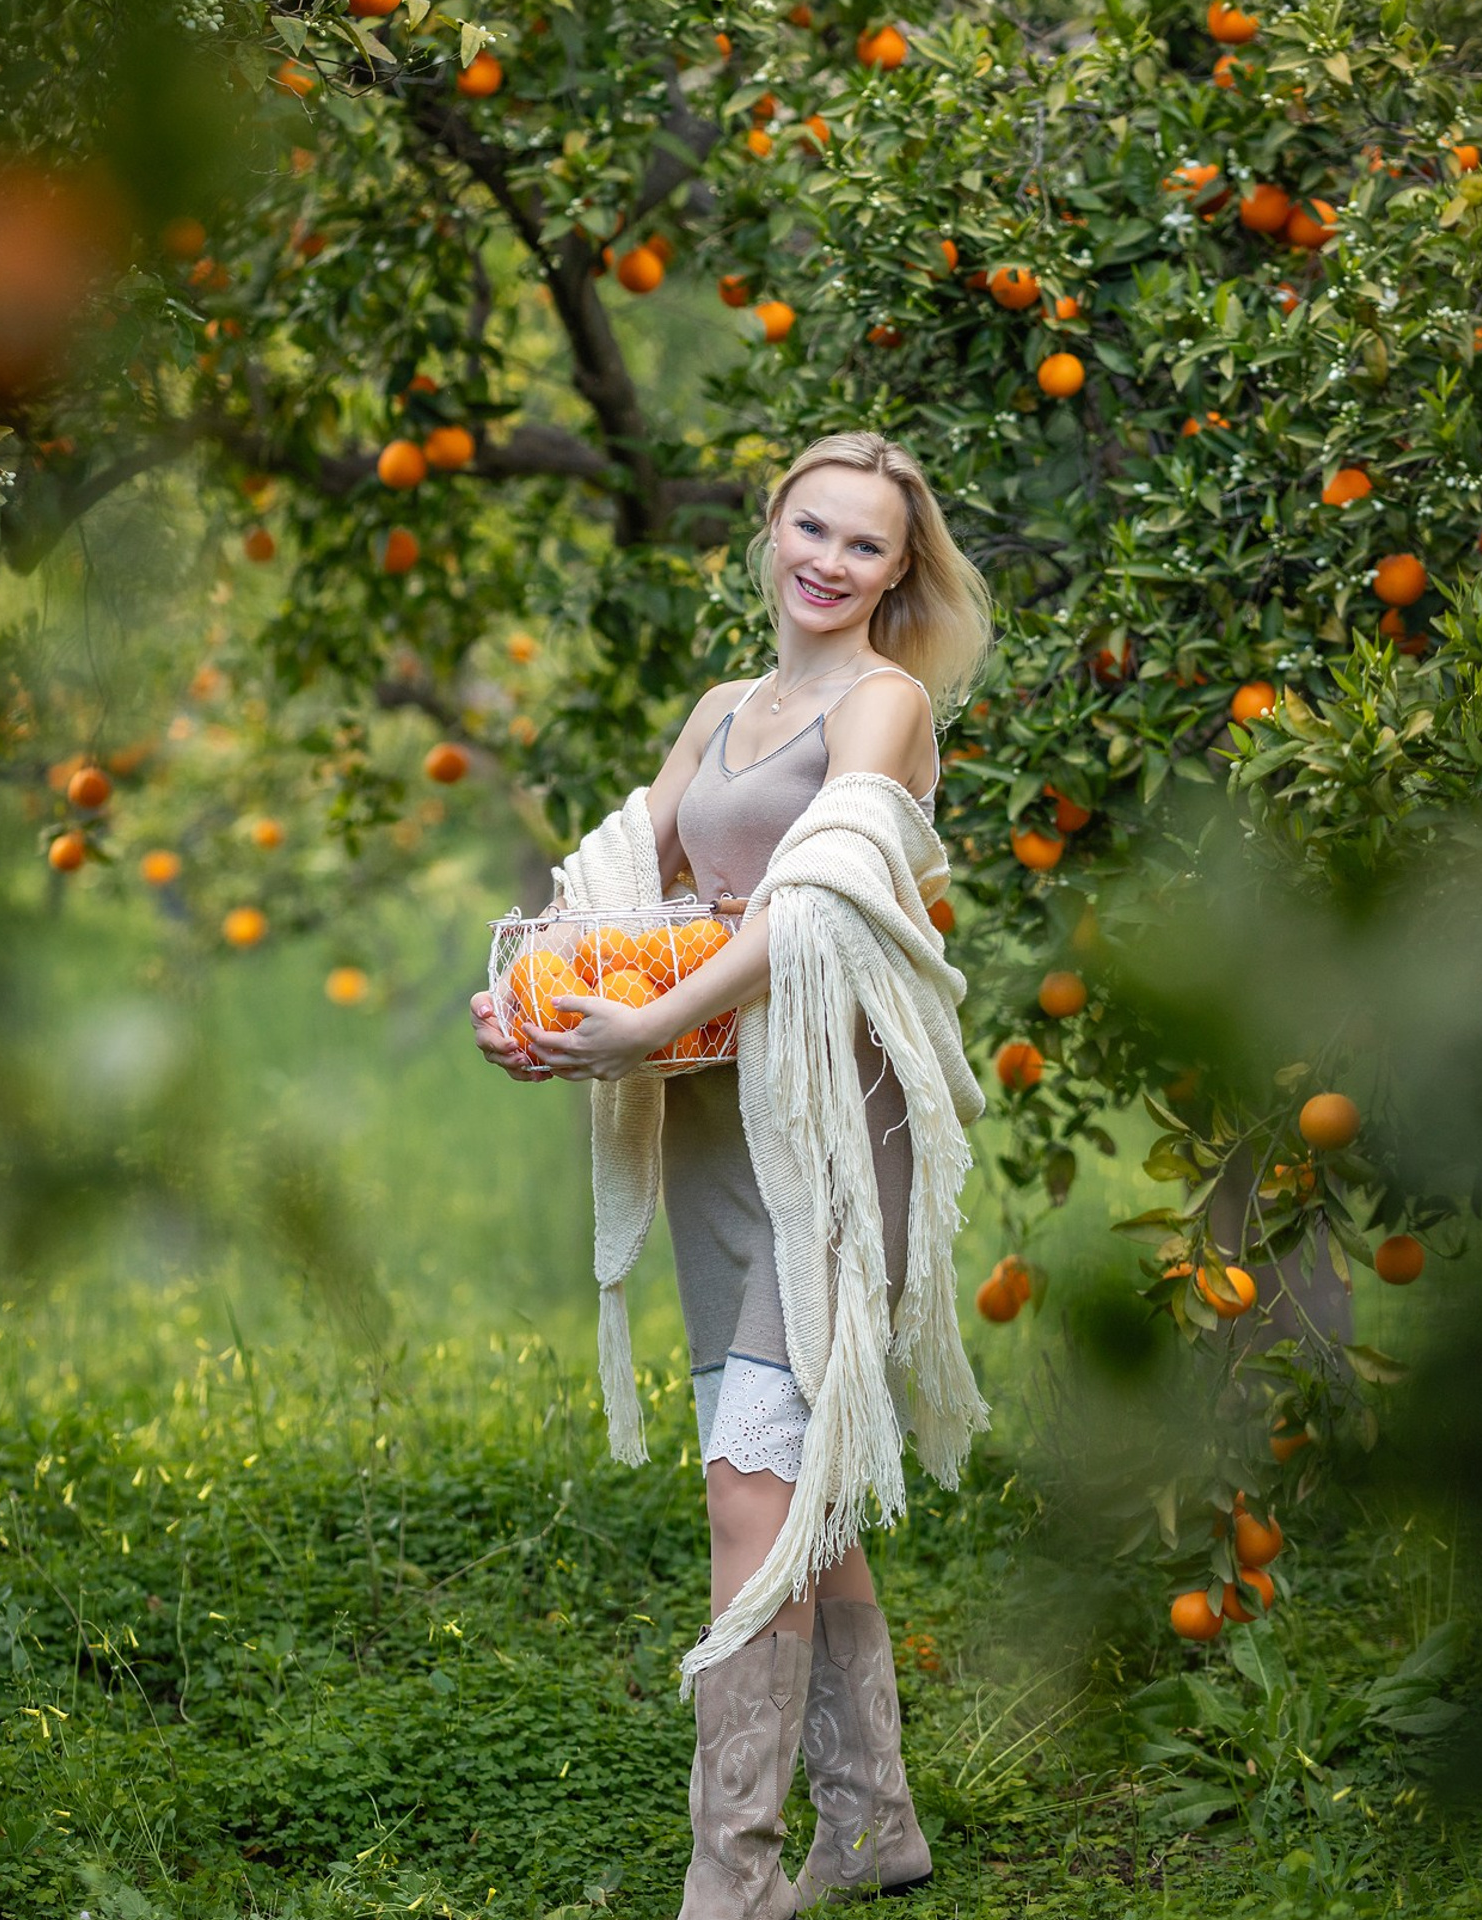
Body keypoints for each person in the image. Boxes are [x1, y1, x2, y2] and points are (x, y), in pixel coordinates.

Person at [468, 431, 991, 1919]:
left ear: (898, 572)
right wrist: (534, 996)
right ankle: (876, 1826)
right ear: (770, 533)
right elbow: (624, 881)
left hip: (829, 1127)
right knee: (794, 1497)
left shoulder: (883, 705)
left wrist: (662, 1012)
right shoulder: (719, 708)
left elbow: (827, 886)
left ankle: (733, 1881)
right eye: (810, 529)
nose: (830, 561)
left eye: (865, 545)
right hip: (712, 1127)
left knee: (746, 1497)